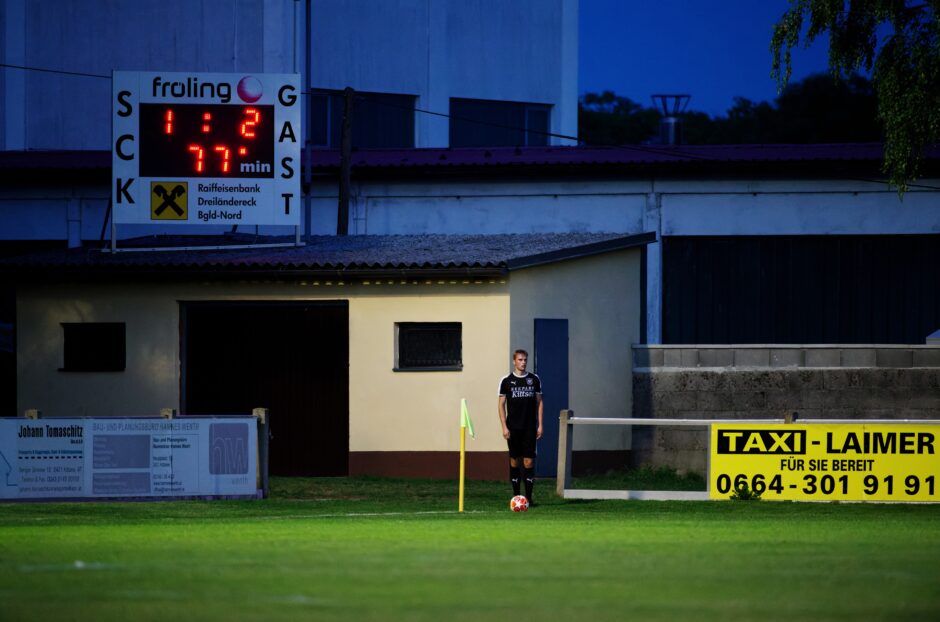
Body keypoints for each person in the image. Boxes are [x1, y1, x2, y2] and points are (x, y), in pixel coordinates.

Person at [497, 349, 543, 505]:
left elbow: (539, 402)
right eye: (520, 360)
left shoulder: (534, 379)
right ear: (514, 361)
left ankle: (528, 499)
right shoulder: (506, 381)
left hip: (529, 427)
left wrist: (540, 425)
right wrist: (504, 426)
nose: (523, 362)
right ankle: (516, 497)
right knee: (515, 461)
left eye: (525, 360)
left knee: (528, 462)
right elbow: (501, 405)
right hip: (513, 428)